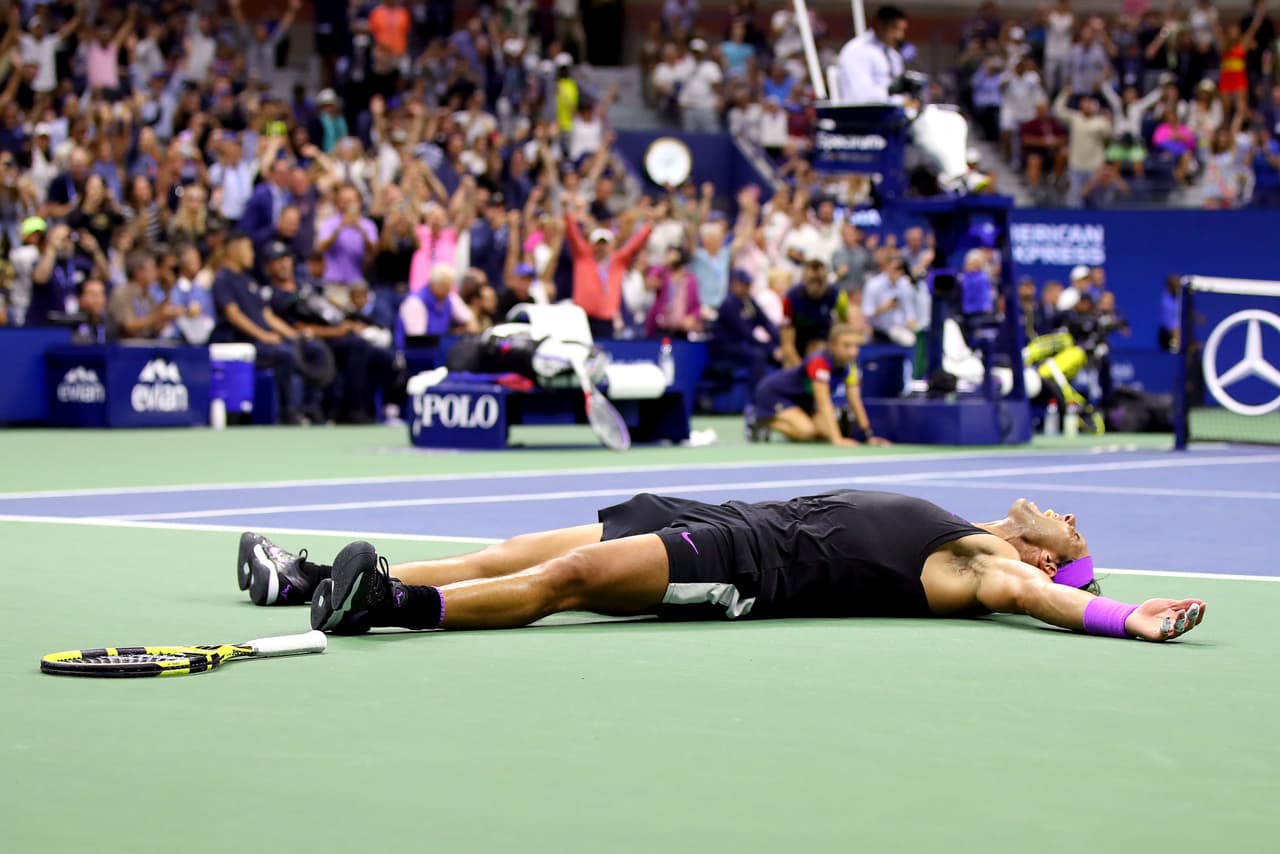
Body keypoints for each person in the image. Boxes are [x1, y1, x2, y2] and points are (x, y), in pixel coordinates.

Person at [236, 495, 1205, 645]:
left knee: (570, 574)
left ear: (1044, 552)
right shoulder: (979, 524)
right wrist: (1068, 556)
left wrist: (1118, 612)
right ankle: (312, 577)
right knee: (513, 548)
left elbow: (1040, 593)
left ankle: (394, 603)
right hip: (733, 514)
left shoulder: (991, 564)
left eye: (1068, 526)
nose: (1064, 513)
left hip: (753, 564)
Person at [748, 323, 885, 446]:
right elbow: (823, 401)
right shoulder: (819, 362)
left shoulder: (851, 366)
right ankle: (758, 422)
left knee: (824, 432)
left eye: (856, 346)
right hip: (775, 393)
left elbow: (855, 400)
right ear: (832, 345)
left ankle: (792, 424)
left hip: (803, 400)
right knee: (806, 432)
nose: (852, 351)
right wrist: (837, 439)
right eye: (846, 345)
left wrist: (869, 436)